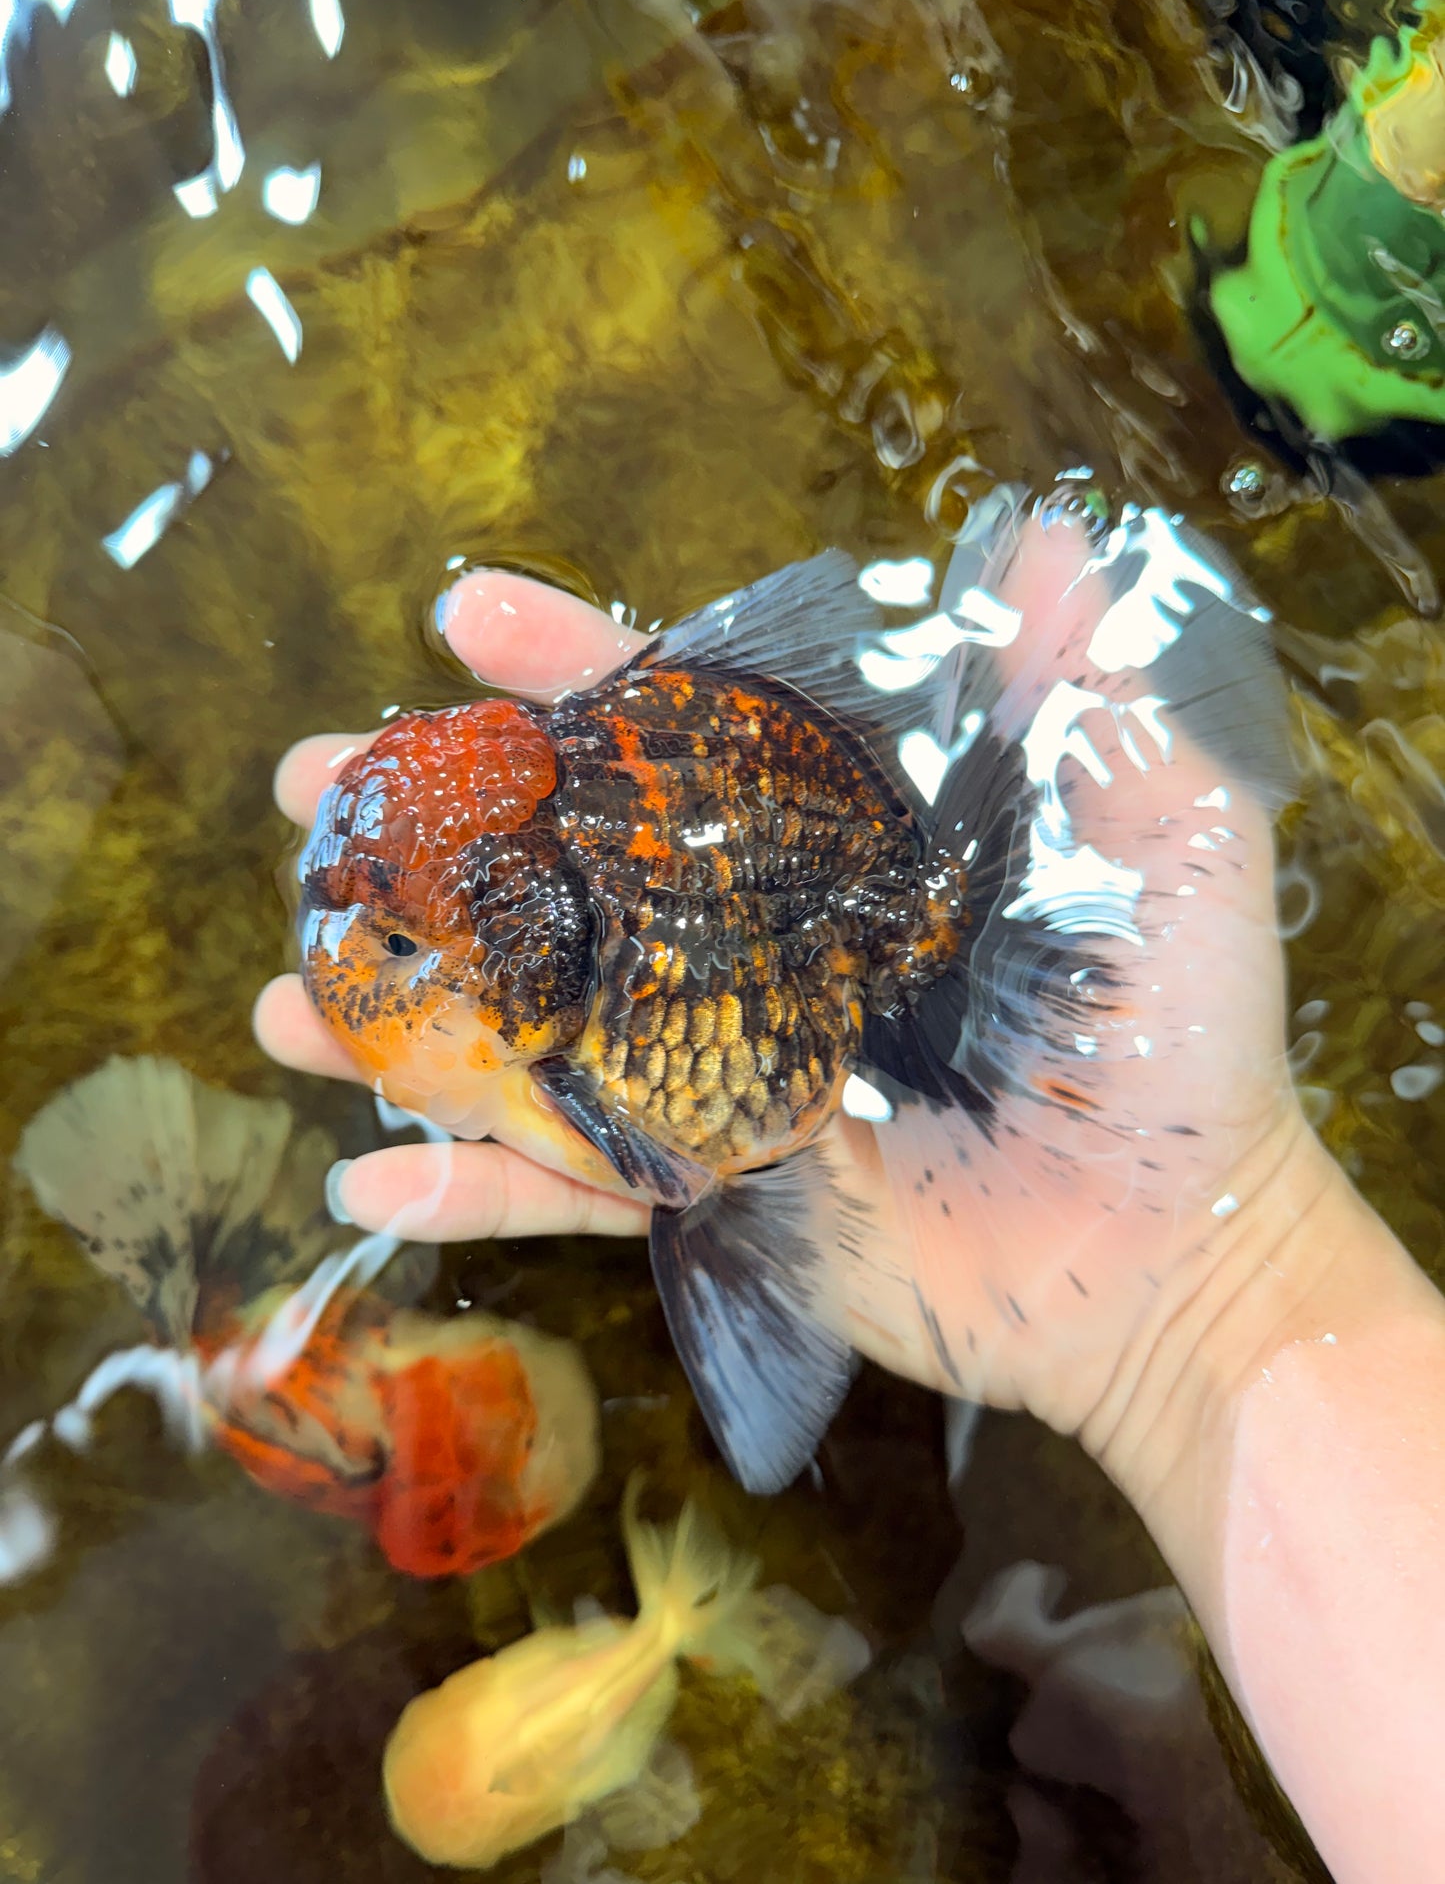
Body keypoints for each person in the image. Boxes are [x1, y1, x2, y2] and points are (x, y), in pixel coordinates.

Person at [256, 508, 1445, 1884]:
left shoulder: (581, 1050)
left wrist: (1201, 1303)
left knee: (698, 1175)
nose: (352, 943)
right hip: (810, 861)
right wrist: (1201, 1309)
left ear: (528, 970)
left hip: (815, 965)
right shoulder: (537, 918)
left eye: (397, 937)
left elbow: (669, 1165)